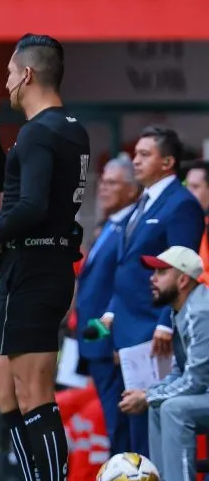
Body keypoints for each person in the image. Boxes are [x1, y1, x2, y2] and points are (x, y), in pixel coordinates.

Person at [0, 34, 91, 481]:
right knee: (4, 390)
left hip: (36, 267)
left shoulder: (43, 131)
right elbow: (11, 183)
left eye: (8, 73)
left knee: (35, 393)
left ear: (26, 75)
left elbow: (33, 205)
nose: (5, 82)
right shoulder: (65, 129)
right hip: (36, 267)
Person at [95, 126, 204, 458]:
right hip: (127, 324)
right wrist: (112, 311)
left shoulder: (181, 203)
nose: (136, 161)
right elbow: (128, 265)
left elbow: (183, 266)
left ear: (168, 162)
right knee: (130, 416)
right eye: (135, 154)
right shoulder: (144, 201)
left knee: (151, 415)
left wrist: (165, 323)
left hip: (152, 327)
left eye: (145, 155)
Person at [119, 246, 209, 481]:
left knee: (173, 409)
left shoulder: (199, 313)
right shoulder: (182, 309)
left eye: (161, 272)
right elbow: (181, 371)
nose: (152, 278)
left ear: (183, 280)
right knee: (161, 405)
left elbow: (195, 382)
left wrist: (147, 395)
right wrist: (149, 395)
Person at [76, 155, 139, 456]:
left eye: (112, 182)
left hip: (111, 340)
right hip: (96, 339)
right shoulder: (111, 225)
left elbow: (125, 285)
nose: (103, 188)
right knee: (112, 416)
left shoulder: (130, 225)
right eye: (102, 181)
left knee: (120, 418)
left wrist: (112, 338)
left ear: (131, 189)